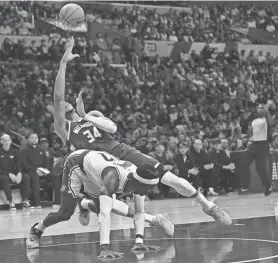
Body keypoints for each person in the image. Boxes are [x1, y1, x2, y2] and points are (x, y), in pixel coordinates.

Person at [53, 37, 232, 232]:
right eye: (61, 105)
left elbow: (112, 128)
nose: (64, 103)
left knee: (172, 179)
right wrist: (63, 63)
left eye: (65, 102)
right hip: (100, 166)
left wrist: (86, 115)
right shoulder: (64, 129)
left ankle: (209, 206)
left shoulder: (92, 115)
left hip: (122, 152)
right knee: (109, 205)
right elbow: (58, 96)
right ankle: (150, 218)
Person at [26, 150, 174, 258]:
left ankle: (83, 203)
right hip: (76, 166)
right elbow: (105, 215)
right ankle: (37, 230)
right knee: (65, 213)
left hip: (96, 171)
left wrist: (140, 240)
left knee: (105, 205)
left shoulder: (139, 177)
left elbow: (139, 211)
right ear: (140, 183)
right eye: (149, 188)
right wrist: (105, 247)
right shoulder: (113, 179)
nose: (150, 191)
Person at [242, 104, 273, 195]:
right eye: (258, 108)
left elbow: (271, 123)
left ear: (265, 109)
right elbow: (251, 132)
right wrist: (249, 137)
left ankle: (268, 185)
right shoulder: (254, 121)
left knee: (260, 168)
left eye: (262, 108)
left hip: (263, 144)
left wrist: (267, 111)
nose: (260, 109)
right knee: (243, 162)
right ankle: (245, 185)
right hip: (253, 144)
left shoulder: (266, 119)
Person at [0, 134, 31, 210]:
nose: (6, 142)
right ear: (1, 142)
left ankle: (25, 201)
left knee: (26, 177)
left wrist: (19, 173)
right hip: (2, 174)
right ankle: (10, 202)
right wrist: (9, 174)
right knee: (4, 179)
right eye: (4, 140)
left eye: (8, 140)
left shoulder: (15, 152)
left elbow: (18, 165)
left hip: (14, 174)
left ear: (10, 141)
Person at [19, 133, 49, 208]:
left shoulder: (42, 150)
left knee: (55, 176)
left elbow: (46, 163)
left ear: (38, 139)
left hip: (42, 171)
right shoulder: (24, 150)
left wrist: (45, 170)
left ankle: (57, 202)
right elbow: (24, 165)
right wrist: (36, 170)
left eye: (36, 137)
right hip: (30, 171)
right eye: (32, 138)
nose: (34, 139)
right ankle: (37, 202)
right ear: (28, 139)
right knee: (35, 176)